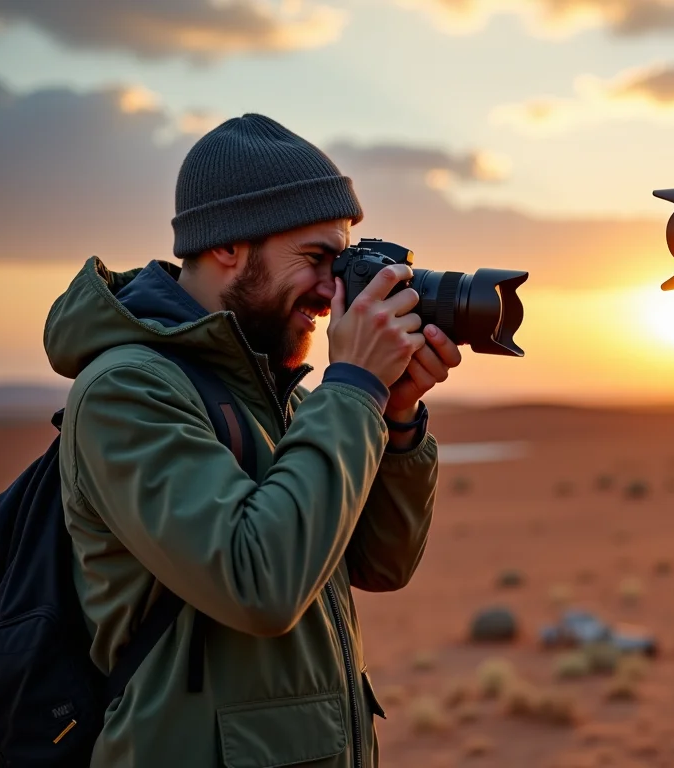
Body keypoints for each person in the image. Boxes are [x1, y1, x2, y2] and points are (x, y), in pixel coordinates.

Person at [45, 113, 460, 766]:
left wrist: (396, 418)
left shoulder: (277, 397)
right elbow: (258, 583)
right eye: (317, 259)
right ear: (228, 246)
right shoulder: (127, 391)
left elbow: (382, 563)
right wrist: (351, 388)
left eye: (343, 261)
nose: (333, 291)